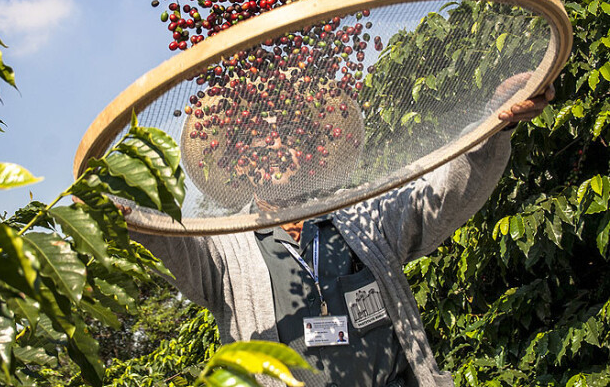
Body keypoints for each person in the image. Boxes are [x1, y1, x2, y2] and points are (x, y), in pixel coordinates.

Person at [130, 76, 555, 387]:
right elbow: (173, 250)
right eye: (260, 140)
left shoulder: (360, 214)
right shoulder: (226, 247)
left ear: (313, 146)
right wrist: (125, 217)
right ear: (239, 159)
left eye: (290, 134)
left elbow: (441, 194)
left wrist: (497, 123)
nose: (276, 147)